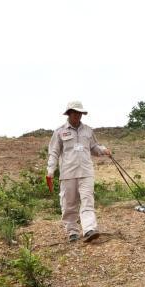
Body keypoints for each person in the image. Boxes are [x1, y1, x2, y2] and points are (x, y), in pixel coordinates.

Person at [46, 101, 111, 242]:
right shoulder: (59, 132)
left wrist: (104, 150)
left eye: (80, 113)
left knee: (88, 201)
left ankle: (89, 229)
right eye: (75, 112)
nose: (78, 115)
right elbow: (54, 152)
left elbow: (94, 147)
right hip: (68, 173)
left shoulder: (88, 130)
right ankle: (72, 232)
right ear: (69, 113)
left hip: (86, 172)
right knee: (69, 203)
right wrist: (50, 169)